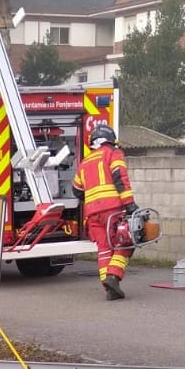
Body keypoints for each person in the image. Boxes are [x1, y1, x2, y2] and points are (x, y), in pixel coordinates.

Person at [73, 123, 137, 300]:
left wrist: (93, 200)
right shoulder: (113, 153)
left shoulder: (85, 161)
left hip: (92, 215)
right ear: (110, 140)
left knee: (104, 249)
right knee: (125, 243)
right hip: (113, 210)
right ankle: (113, 276)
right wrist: (130, 204)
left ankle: (109, 288)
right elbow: (120, 179)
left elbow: (76, 190)